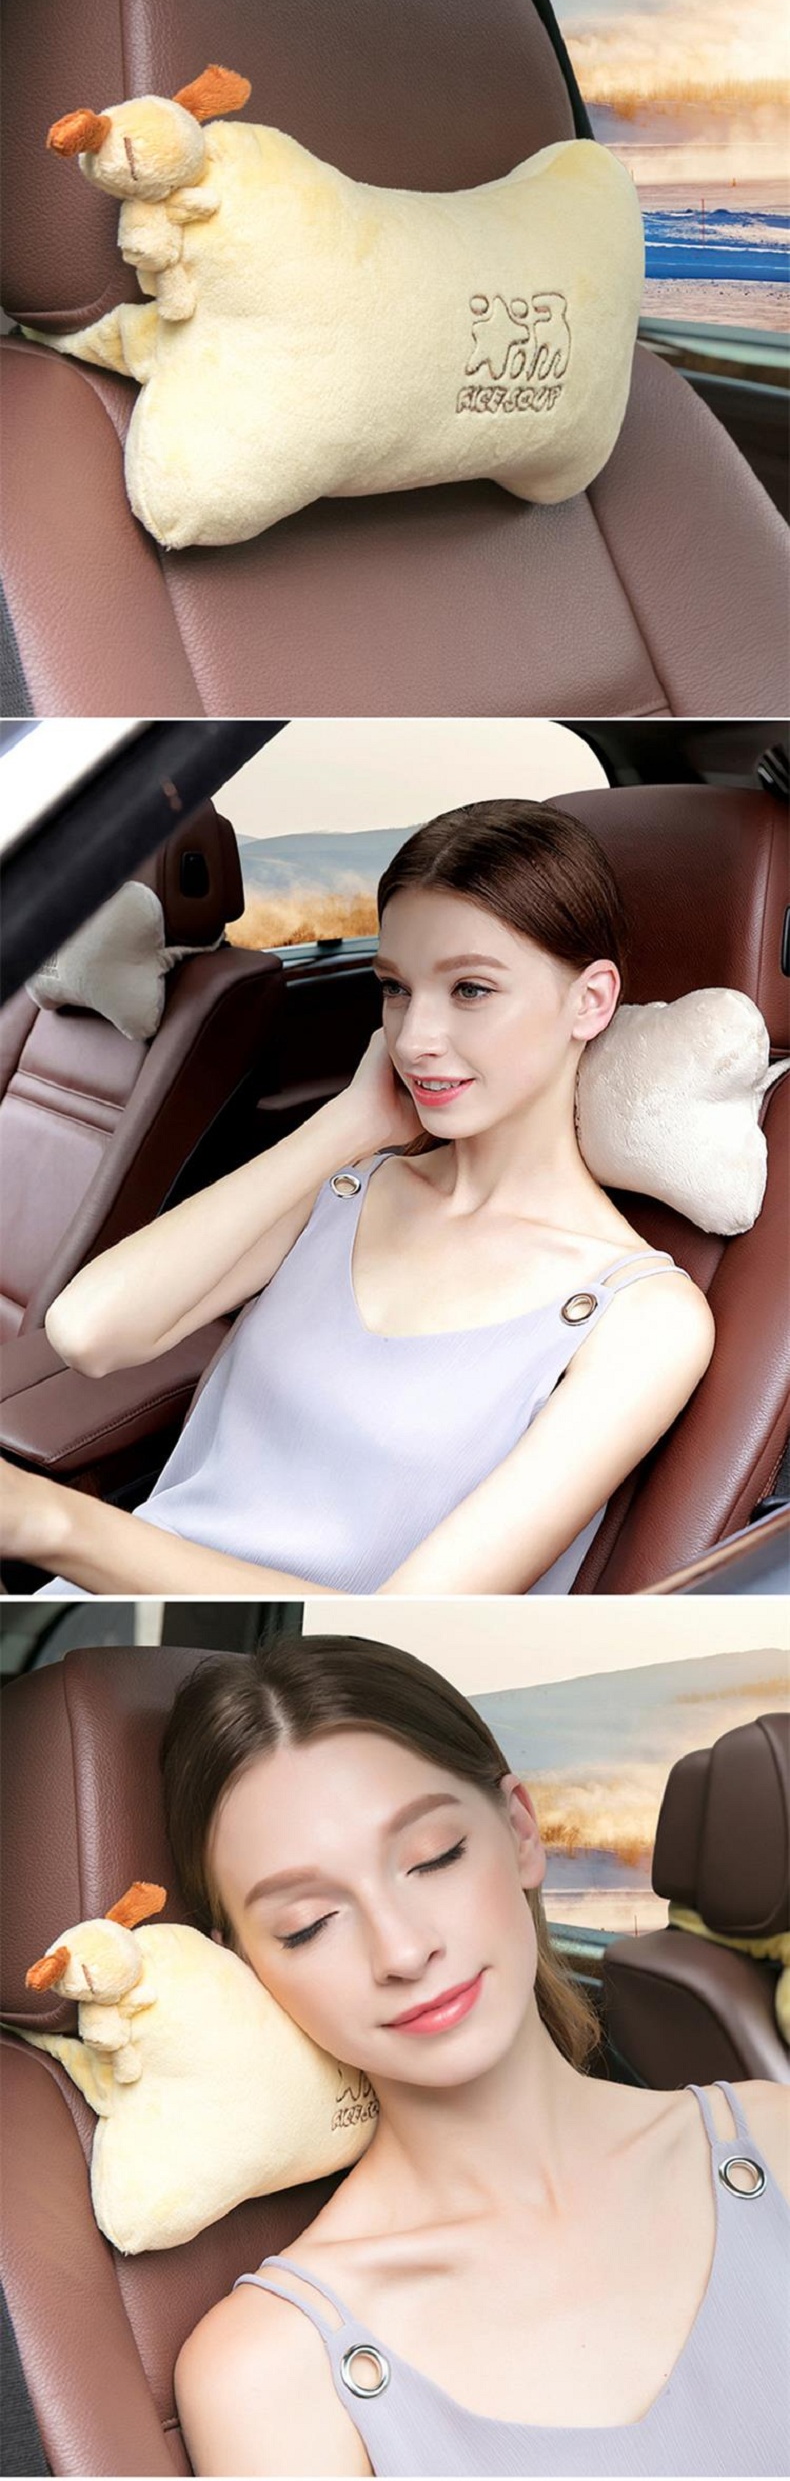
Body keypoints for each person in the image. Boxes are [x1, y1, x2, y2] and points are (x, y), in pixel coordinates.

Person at [0, 803, 712, 1599]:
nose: (414, 1039)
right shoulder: (349, 1186)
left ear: (591, 1000)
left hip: (281, 1652)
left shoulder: (644, 1319)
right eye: (396, 989)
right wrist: (347, 1124)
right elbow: (88, 1332)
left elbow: (405, 1625)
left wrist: (54, 1524)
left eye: (471, 989)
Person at [167, 1635, 789, 2479]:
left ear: (520, 1830)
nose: (403, 1949)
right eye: (307, 1925)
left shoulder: (779, 2141)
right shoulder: (271, 2372)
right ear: (244, 1966)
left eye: (434, 1858)